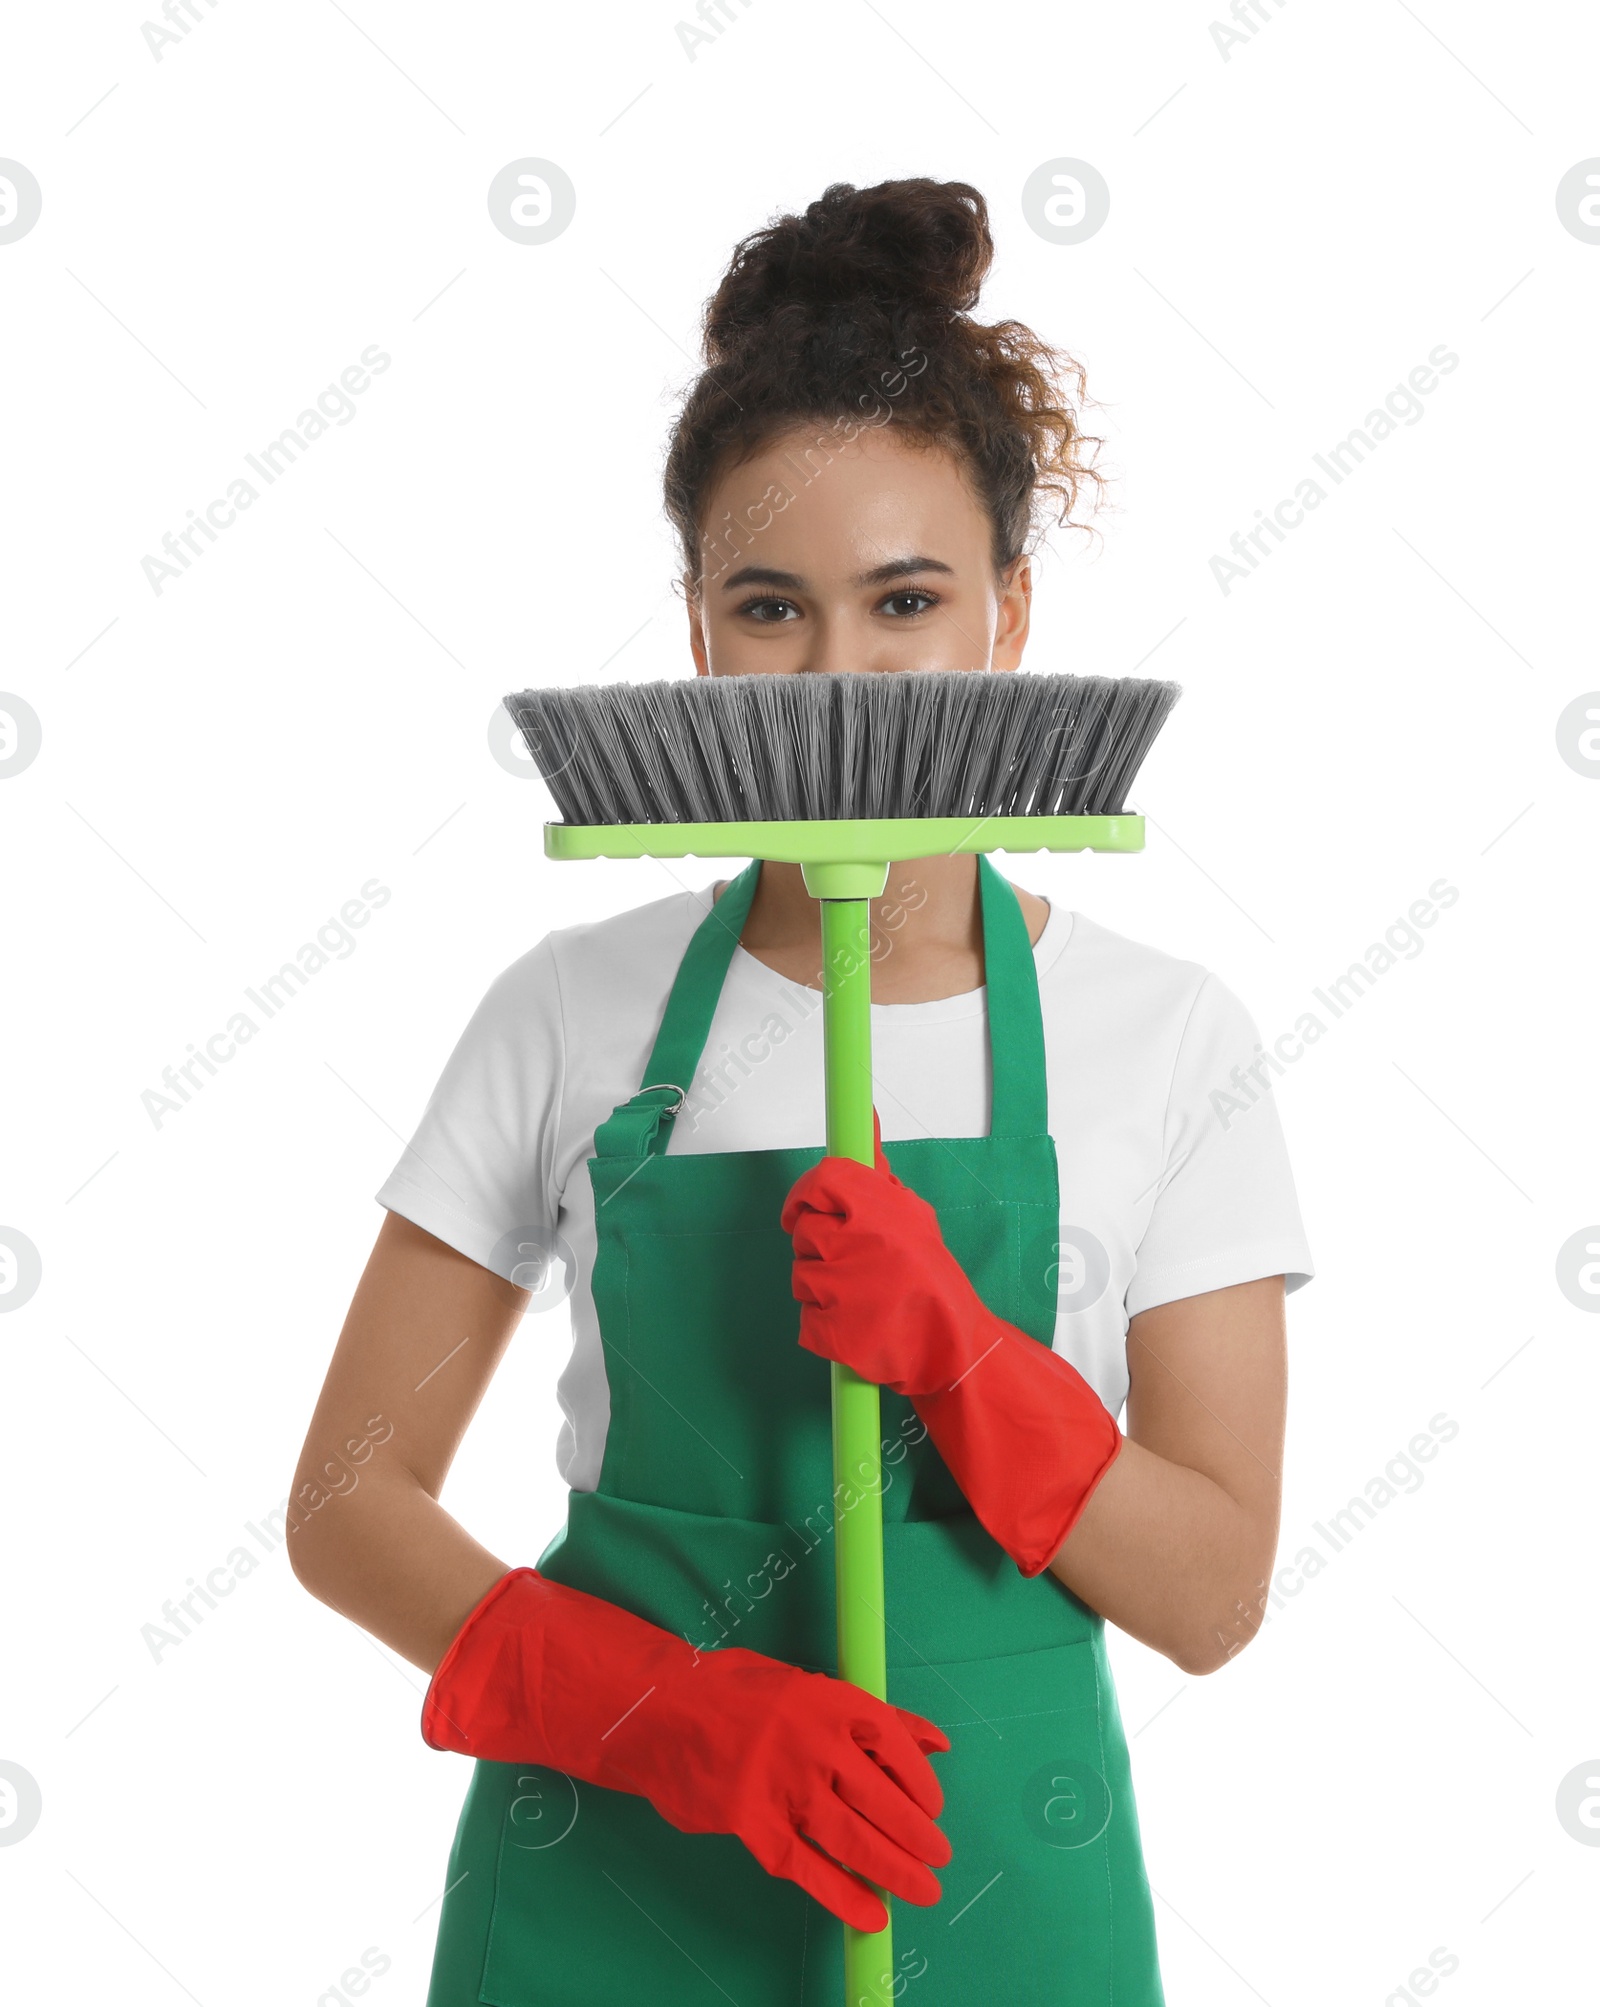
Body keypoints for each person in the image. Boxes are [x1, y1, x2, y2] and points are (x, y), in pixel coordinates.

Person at [289, 176, 1314, 2006]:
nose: (833, 673)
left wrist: (971, 1365)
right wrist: (678, 1721)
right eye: (771, 605)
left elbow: (1211, 1596)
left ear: (1009, 614)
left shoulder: (1165, 1034)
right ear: (696, 631)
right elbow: (349, 1504)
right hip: (612, 1868)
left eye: (904, 599)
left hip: (995, 1884)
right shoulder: (567, 1010)